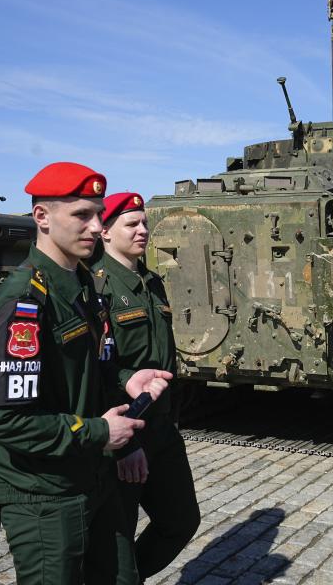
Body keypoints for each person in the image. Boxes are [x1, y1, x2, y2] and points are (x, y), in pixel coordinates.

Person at [0, 163, 173, 585]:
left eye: (99, 214)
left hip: (92, 479)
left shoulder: (81, 286)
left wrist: (126, 380)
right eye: (82, 214)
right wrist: (100, 434)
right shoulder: (24, 302)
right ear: (42, 218)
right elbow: (3, 419)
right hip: (43, 493)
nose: (95, 226)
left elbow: (91, 369)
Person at [96, 191, 200, 582]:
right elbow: (99, 372)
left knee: (181, 520)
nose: (143, 231)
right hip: (124, 433)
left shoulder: (151, 282)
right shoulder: (97, 287)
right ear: (105, 232)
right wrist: (126, 446)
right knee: (115, 544)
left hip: (161, 428)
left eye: (144, 223)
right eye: (131, 224)